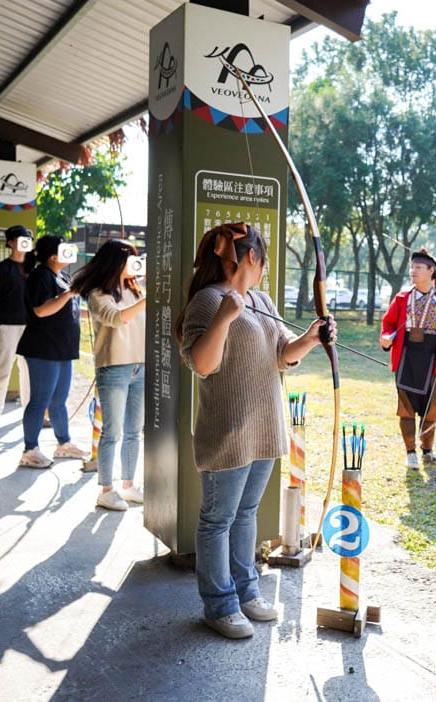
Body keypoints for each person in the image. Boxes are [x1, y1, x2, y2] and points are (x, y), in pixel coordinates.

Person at [176, 222, 336, 640]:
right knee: (217, 520)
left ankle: (246, 591)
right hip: (227, 434)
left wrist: (312, 338)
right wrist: (226, 318)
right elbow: (203, 364)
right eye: (263, 259)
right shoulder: (208, 301)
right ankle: (219, 604)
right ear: (251, 257)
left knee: (245, 515)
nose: (264, 267)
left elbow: (283, 354)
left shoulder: (261, 300)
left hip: (264, 429)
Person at [72, 239, 146, 511]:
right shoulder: (98, 294)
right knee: (112, 431)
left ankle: (128, 485)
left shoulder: (135, 290)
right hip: (114, 367)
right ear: (117, 263)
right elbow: (117, 319)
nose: (135, 265)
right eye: (131, 260)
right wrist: (149, 298)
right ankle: (106, 489)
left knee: (134, 431)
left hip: (141, 366)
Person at [15, 235, 89, 469]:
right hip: (41, 349)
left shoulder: (64, 277)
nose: (70, 252)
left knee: (59, 401)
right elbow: (41, 310)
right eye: (65, 249)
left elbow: (67, 309)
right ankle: (30, 449)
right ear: (53, 256)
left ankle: (63, 444)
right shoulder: (40, 276)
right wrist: (68, 294)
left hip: (62, 349)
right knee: (40, 400)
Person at [379, 249, 436, 469]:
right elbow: (388, 325)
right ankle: (410, 453)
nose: (413, 272)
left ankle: (427, 450)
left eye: (418, 268)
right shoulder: (402, 298)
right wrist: (386, 338)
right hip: (406, 358)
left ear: (431, 271)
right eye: (412, 267)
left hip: (433, 360)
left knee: (434, 407)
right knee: (406, 408)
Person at [0, 225, 31, 424]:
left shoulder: (34, 270)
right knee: (3, 368)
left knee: (29, 370)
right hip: (7, 326)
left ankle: (30, 411)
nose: (24, 242)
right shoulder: (1, 269)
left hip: (31, 327)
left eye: (27, 238)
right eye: (20, 238)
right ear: (10, 242)